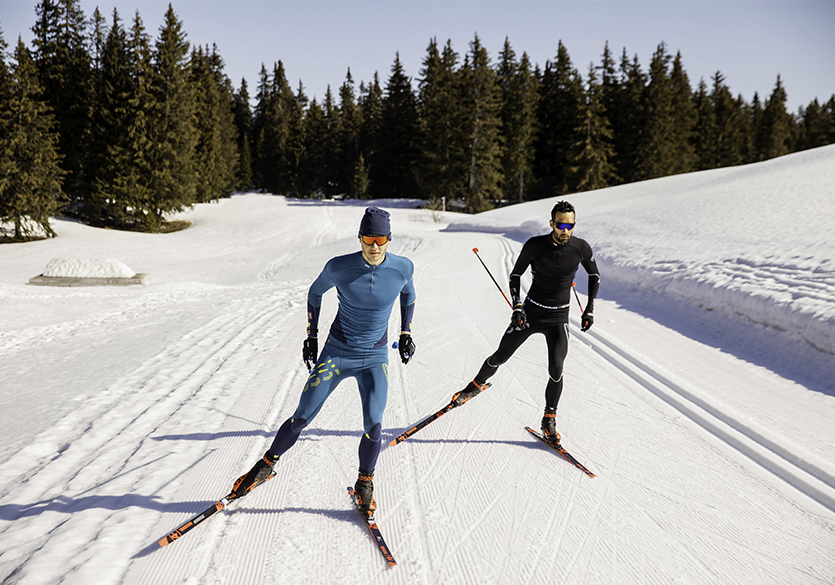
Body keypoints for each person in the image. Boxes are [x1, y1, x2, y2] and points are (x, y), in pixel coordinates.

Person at [231, 207, 416, 517]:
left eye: (380, 239)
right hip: (337, 352)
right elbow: (315, 293)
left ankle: (365, 482)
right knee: (302, 416)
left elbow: (408, 294)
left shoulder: (402, 268)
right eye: (369, 238)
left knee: (374, 423)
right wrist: (311, 337)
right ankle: (266, 466)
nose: (374, 246)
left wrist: (406, 331)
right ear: (360, 238)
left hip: (374, 357)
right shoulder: (338, 267)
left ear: (388, 239)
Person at [450, 201, 599, 444]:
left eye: (570, 225)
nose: (565, 230)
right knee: (500, 356)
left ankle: (548, 421)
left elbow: (595, 275)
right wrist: (517, 306)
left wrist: (589, 310)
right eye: (560, 224)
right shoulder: (535, 245)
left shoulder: (580, 248)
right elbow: (515, 274)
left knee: (556, 370)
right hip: (531, 313)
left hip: (559, 317)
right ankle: (474, 386)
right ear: (551, 223)